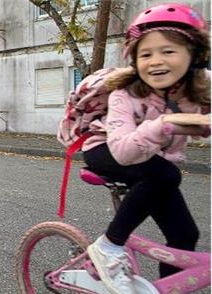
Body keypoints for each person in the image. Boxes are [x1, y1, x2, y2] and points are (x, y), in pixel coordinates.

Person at [80, 4, 210, 293]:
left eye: (168, 51)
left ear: (196, 57)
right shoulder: (124, 94)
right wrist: (165, 123)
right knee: (164, 175)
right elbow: (124, 152)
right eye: (146, 54)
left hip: (153, 160)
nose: (155, 61)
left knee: (185, 235)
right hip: (105, 149)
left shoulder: (201, 87)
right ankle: (108, 245)